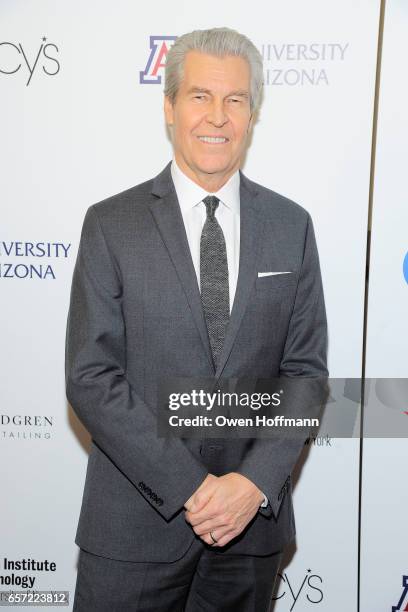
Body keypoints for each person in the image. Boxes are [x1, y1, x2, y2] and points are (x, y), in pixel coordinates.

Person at [65, 27, 328, 612]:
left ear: (252, 114)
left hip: (249, 535)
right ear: (169, 106)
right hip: (133, 531)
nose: (218, 116)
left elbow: (305, 375)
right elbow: (91, 376)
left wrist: (252, 485)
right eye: (200, 96)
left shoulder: (292, 226)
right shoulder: (112, 224)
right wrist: (194, 489)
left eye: (235, 100)